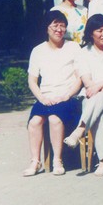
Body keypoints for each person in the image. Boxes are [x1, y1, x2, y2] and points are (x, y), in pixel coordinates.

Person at [64, 14, 103, 176]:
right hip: (94, 97)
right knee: (100, 114)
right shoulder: (83, 53)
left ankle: (80, 129)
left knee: (100, 98)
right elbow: (87, 81)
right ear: (91, 33)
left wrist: (100, 87)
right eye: (100, 30)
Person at [22, 10, 83, 177]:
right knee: (34, 122)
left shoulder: (73, 47)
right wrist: (42, 98)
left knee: (54, 119)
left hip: (68, 97)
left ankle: (57, 160)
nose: (59, 29)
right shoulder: (38, 51)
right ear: (46, 28)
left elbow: (80, 78)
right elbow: (32, 81)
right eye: (55, 25)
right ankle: (35, 161)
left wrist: (66, 95)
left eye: (62, 26)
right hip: (46, 97)